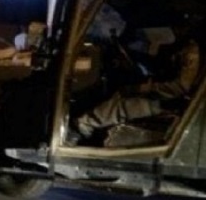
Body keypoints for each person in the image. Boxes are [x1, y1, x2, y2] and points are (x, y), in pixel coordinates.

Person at [70, 22, 203, 143]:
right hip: (172, 98)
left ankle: (85, 124)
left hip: (171, 103)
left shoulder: (193, 52)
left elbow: (179, 87)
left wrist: (142, 89)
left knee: (123, 104)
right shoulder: (186, 47)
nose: (177, 30)